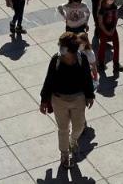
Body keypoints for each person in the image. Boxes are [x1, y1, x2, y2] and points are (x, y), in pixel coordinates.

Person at [39, 31, 95, 169]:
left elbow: (87, 78)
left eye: (63, 46)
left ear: (71, 48)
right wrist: (44, 100)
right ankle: (64, 154)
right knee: (63, 129)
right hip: (59, 100)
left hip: (78, 99)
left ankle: (73, 141)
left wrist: (90, 95)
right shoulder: (56, 60)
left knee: (79, 126)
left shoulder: (81, 58)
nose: (60, 48)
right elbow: (48, 81)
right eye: (60, 45)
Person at [94, 0, 122, 76]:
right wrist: (106, 31)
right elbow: (100, 23)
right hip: (103, 29)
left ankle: (116, 64)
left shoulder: (114, 7)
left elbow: (116, 18)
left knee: (116, 45)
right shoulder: (102, 9)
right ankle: (101, 63)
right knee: (102, 45)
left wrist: (113, 29)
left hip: (112, 28)